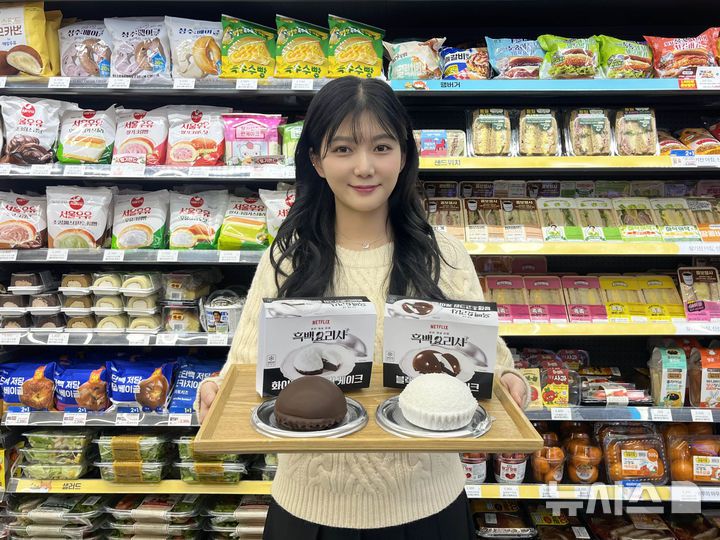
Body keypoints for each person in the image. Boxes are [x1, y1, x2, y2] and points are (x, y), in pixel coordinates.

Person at [196, 76, 530, 540]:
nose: (365, 166)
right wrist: (214, 391)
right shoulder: (289, 258)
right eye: (343, 149)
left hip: (430, 505)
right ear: (316, 160)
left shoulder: (446, 255)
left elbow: (492, 365)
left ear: (404, 155)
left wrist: (512, 383)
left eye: (382, 147)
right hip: (309, 509)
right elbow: (244, 368)